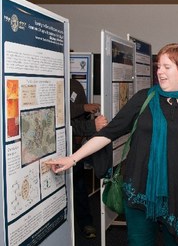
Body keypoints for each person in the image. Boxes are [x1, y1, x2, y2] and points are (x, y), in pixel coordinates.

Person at [48, 43, 178, 246]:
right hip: (141, 190)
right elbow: (109, 132)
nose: (159, 72)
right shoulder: (144, 98)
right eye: (158, 66)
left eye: (166, 66)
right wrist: (73, 158)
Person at [69, 78, 107, 240]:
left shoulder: (75, 85)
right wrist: (84, 108)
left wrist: (81, 134)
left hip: (73, 146)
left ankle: (86, 223)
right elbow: (62, 113)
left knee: (79, 186)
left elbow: (81, 116)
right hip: (55, 148)